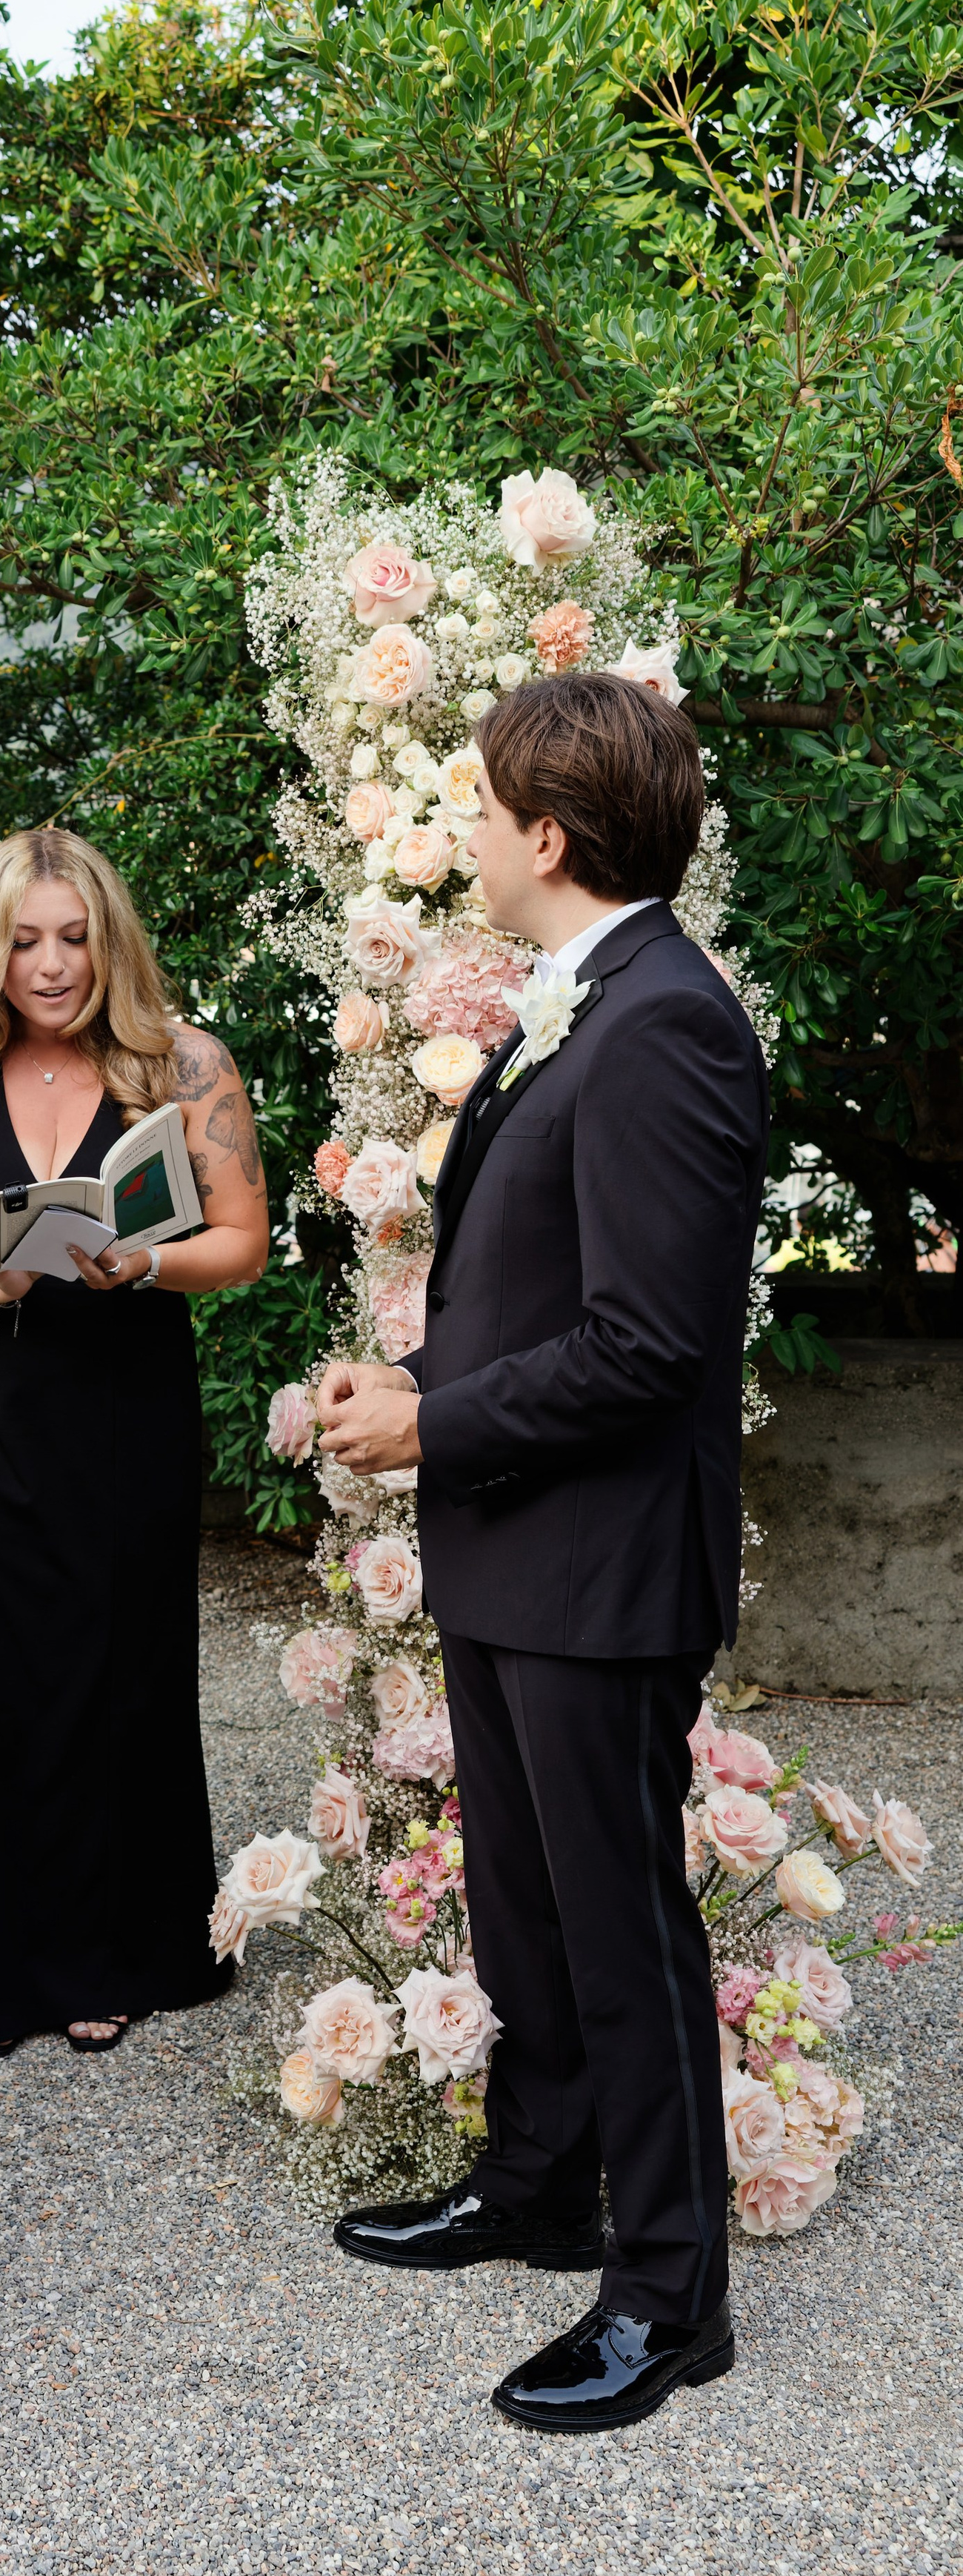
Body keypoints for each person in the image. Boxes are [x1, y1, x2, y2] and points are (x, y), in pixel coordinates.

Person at [316, 674, 767, 2433]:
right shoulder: (570, 1006)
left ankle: (667, 2295)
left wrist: (433, 1427)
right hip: (514, 1546)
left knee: (615, 1924)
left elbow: (649, 1347)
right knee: (520, 1902)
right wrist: (415, 1381)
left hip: (596, 1568)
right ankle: (533, 2186)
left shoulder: (660, 1021)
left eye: (485, 811)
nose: (470, 837)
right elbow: (535, 1297)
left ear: (549, 837)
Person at [0, 826, 269, 2054]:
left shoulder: (185, 1064)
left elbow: (243, 1241)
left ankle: (112, 1944)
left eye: (76, 938)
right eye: (25, 940)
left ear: (113, 940)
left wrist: (143, 1260)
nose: (51, 966)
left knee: (120, 1669)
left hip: (125, 1406)